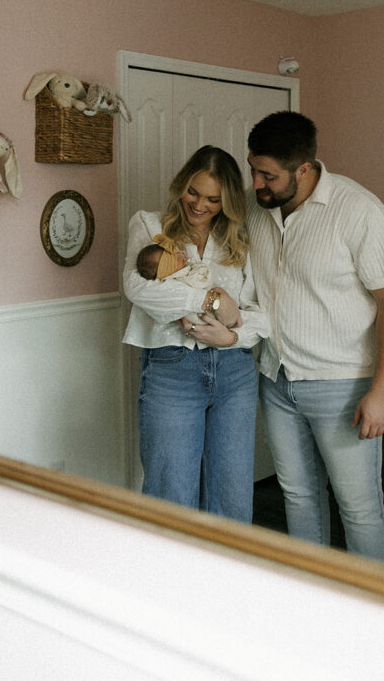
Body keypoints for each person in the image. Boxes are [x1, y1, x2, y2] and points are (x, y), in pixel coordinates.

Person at [245, 111, 384, 562]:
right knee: (298, 498)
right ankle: (312, 602)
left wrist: (383, 392)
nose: (257, 182)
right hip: (276, 378)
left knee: (358, 510)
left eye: (268, 175)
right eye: (253, 169)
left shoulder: (359, 212)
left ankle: (375, 613)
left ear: (304, 169)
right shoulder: (257, 210)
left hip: (343, 385)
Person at [123, 145, 269, 523]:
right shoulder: (149, 225)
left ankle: (225, 579)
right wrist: (213, 301)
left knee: (232, 494)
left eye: (213, 199)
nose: (199, 205)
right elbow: (140, 289)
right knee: (171, 493)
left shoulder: (241, 240)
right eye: (193, 192)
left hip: (235, 371)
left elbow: (258, 314)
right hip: (173, 369)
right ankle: (168, 580)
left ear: (228, 201)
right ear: (181, 185)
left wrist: (233, 336)